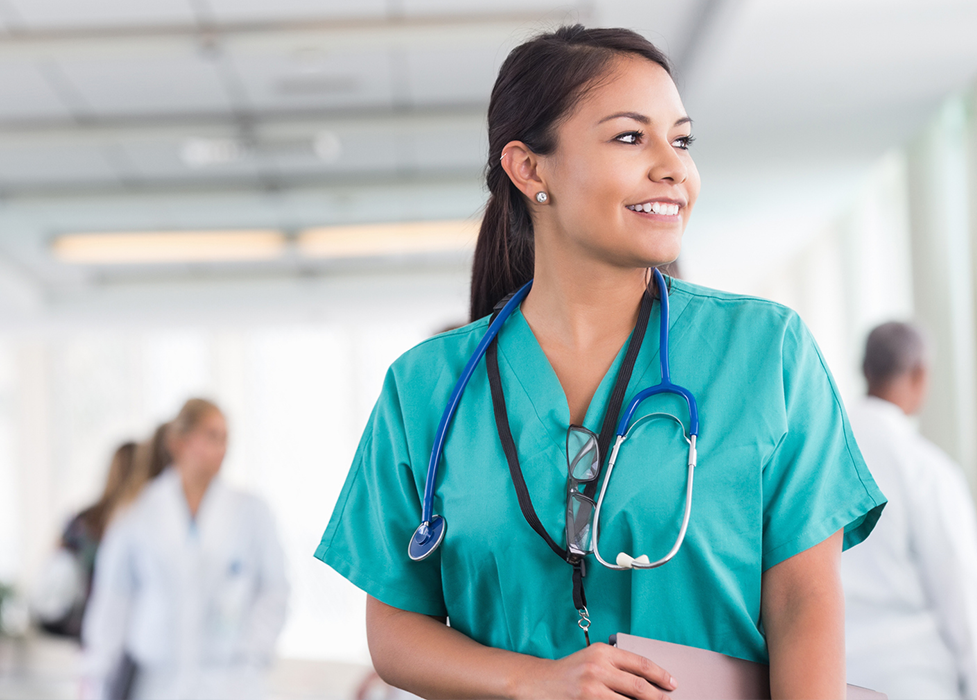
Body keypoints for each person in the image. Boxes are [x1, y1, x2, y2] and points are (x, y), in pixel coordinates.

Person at [315, 25, 885, 700]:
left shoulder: (765, 353)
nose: (673, 167)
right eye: (629, 137)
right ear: (530, 169)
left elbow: (804, 604)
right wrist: (537, 681)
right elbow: (395, 631)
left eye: (681, 139)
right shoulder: (426, 389)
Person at [82, 399, 289, 700]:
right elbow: (113, 600)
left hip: (231, 679)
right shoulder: (137, 512)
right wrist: (98, 671)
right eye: (212, 436)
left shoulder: (252, 511)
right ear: (178, 442)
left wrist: (254, 653)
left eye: (225, 438)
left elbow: (275, 590)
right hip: (155, 680)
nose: (222, 448)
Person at [842, 322, 977, 699]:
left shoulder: (824, 454)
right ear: (920, 374)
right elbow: (959, 587)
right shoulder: (926, 467)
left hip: (833, 672)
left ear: (866, 370)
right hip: (914, 677)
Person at [35, 441, 139, 640]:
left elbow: (54, 562)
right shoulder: (136, 523)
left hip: (85, 626)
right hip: (122, 626)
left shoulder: (81, 520)